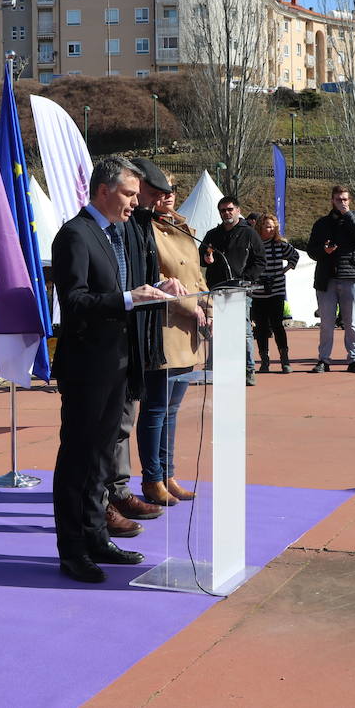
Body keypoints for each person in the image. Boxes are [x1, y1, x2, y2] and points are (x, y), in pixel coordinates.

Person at [51, 156, 177, 584]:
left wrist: (156, 290)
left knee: (102, 459)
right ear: (103, 191)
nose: (134, 202)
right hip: (88, 367)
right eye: (128, 194)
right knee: (78, 461)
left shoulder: (118, 232)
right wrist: (127, 298)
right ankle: (73, 550)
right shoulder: (74, 235)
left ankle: (96, 537)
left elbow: (128, 288)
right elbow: (75, 303)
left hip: (120, 363)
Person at [104, 157, 168, 529]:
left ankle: (119, 490)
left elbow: (141, 278)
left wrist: (161, 287)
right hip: (110, 343)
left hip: (136, 337)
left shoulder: (140, 224)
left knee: (125, 421)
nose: (155, 202)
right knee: (112, 427)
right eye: (150, 195)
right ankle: (109, 497)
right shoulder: (100, 230)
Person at [138, 170, 206, 506]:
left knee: (172, 410)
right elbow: (159, 281)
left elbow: (195, 276)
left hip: (190, 328)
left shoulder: (183, 227)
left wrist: (209, 304)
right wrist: (193, 308)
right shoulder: (145, 230)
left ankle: (168, 473)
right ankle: (152, 479)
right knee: (156, 409)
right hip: (165, 326)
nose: (168, 196)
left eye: (172, 189)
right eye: (160, 190)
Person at [199, 196, 264, 385]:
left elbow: (260, 261)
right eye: (222, 210)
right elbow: (201, 255)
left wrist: (245, 280)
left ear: (237, 210)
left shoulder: (250, 234)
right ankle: (215, 368)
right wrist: (206, 258)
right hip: (217, 289)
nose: (226, 213)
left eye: (229, 209)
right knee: (215, 331)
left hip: (240, 291)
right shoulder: (212, 234)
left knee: (242, 331)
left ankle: (248, 370)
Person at [307, 185, 355, 373]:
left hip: (352, 276)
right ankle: (324, 360)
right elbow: (311, 250)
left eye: (345, 199)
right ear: (332, 201)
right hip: (327, 278)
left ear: (349, 201)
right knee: (326, 323)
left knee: (351, 322)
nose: (342, 203)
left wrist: (349, 215)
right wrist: (323, 251)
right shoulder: (321, 223)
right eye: (338, 199)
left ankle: (354, 359)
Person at [250, 214, 298, 372]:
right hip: (258, 292)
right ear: (260, 228)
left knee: (278, 325)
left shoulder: (279, 244)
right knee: (261, 328)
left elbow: (294, 255)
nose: (270, 230)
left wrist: (285, 269)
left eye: (273, 227)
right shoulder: (253, 245)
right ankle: (264, 360)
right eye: (267, 227)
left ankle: (285, 360)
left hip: (276, 291)